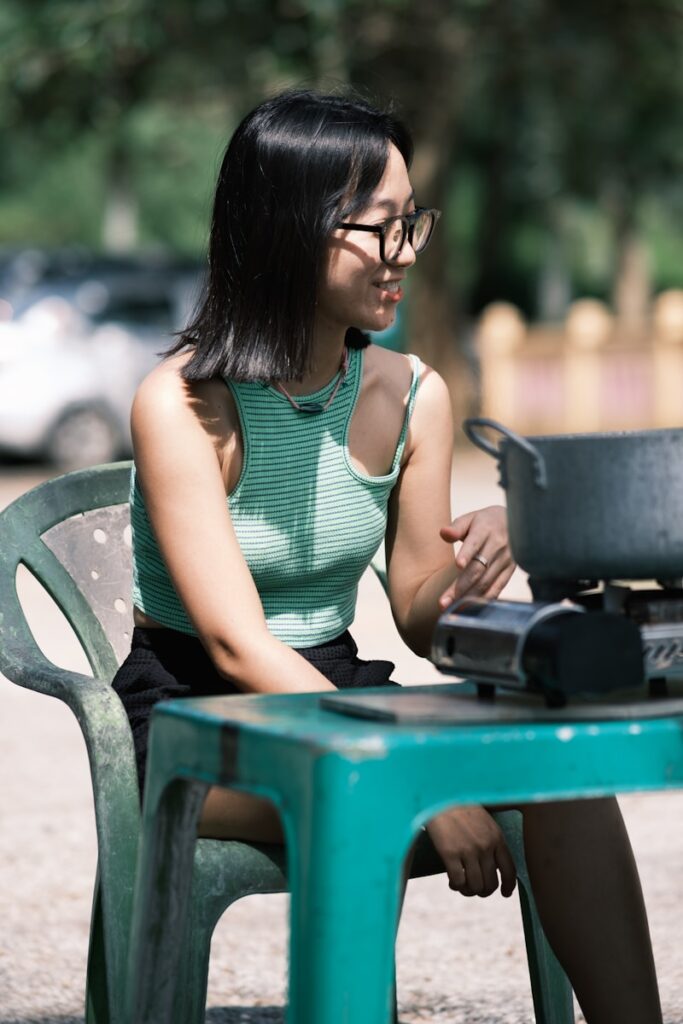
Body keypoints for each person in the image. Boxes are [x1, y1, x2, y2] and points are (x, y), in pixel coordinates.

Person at [112, 89, 661, 1023]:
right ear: (288, 226)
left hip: (342, 692)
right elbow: (237, 645)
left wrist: (477, 567)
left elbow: (414, 605)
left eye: (412, 221)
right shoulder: (182, 404)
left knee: (566, 777)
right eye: (378, 227)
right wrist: (419, 784)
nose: (405, 251)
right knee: (375, 794)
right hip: (197, 715)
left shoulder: (412, 393)